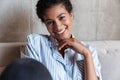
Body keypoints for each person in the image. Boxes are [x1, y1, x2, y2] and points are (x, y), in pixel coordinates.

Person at [21, 0, 102, 80]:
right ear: (45, 24)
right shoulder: (35, 44)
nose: (58, 27)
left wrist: (86, 54)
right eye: (50, 22)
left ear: (71, 15)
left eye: (62, 17)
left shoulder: (89, 51)